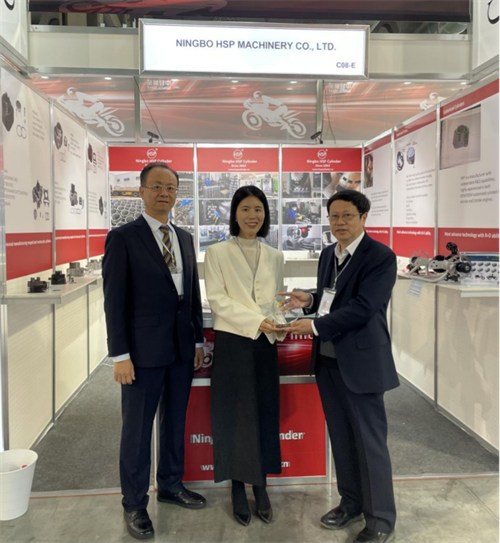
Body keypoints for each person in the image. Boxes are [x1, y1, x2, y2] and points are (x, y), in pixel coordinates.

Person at [282, 189, 398, 543]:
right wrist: (310, 299)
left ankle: (380, 520)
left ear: (363, 218)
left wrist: (315, 325)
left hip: (361, 363)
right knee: (342, 438)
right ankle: (350, 503)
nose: (340, 222)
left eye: (347, 215)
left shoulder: (380, 257)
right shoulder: (328, 254)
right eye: (334, 216)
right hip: (328, 362)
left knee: (369, 444)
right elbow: (333, 299)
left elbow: (363, 307)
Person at [103, 162, 206, 540]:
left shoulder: (184, 238)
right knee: (137, 430)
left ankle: (171, 485)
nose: (165, 193)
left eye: (171, 187)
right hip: (141, 354)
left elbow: (191, 294)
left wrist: (197, 340)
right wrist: (120, 355)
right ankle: (134, 503)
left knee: (175, 422)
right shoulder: (123, 237)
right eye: (157, 186)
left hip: (180, 349)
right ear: (142, 192)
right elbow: (114, 301)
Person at [204, 186, 285, 527]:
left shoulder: (275, 255)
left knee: (265, 411)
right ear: (234, 214)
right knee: (235, 415)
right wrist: (256, 321)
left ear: (265, 215)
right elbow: (217, 299)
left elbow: (276, 299)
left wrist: (278, 322)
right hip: (233, 342)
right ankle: (238, 486)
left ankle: (261, 485)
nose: (253, 216)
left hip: (265, 343)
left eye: (259, 209)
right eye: (246, 209)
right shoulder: (217, 252)